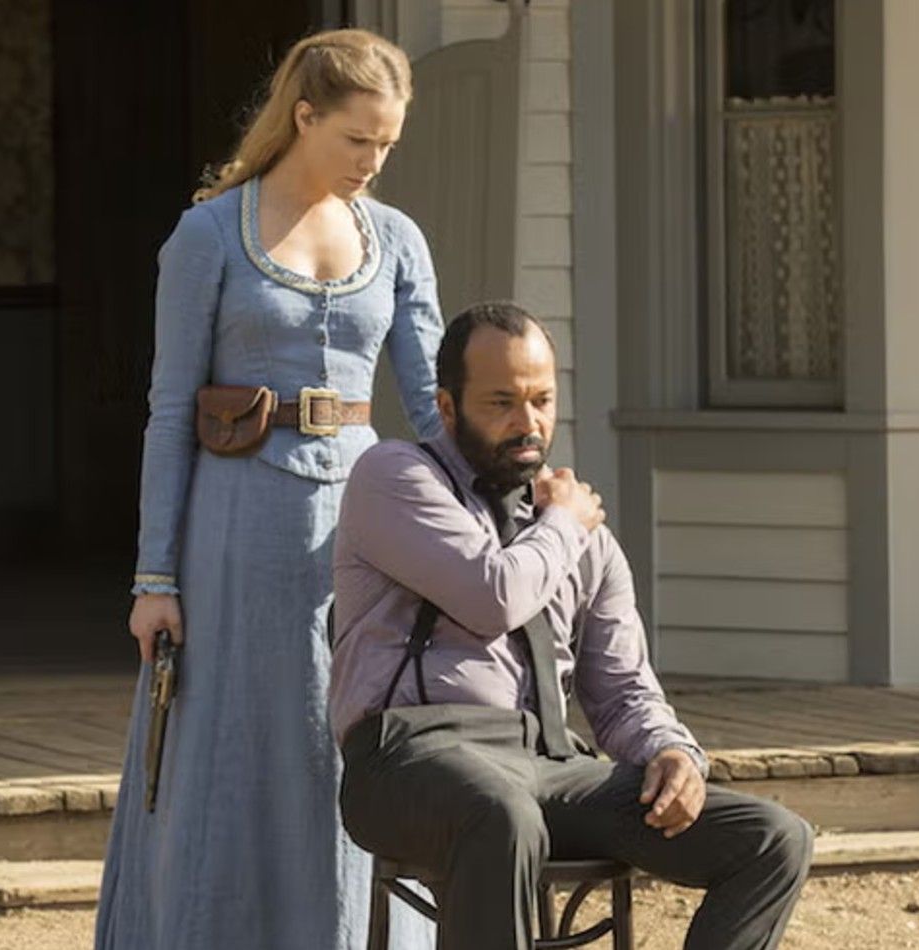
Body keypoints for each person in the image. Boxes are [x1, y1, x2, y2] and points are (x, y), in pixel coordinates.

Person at [93, 28, 445, 950]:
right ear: (304, 116)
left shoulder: (397, 240)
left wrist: (488, 516)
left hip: (364, 523)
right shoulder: (209, 235)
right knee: (233, 738)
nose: (373, 161)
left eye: (387, 143)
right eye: (357, 138)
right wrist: (154, 579)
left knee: (351, 733)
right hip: (235, 523)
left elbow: (434, 407)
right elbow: (170, 412)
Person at [330, 302, 814, 950]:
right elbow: (492, 596)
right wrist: (563, 525)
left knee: (771, 839)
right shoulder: (395, 476)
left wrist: (673, 753)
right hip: (408, 760)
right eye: (502, 403)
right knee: (501, 815)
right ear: (447, 407)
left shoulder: (583, 536)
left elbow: (623, 690)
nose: (527, 423)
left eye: (542, 401)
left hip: (547, 762)